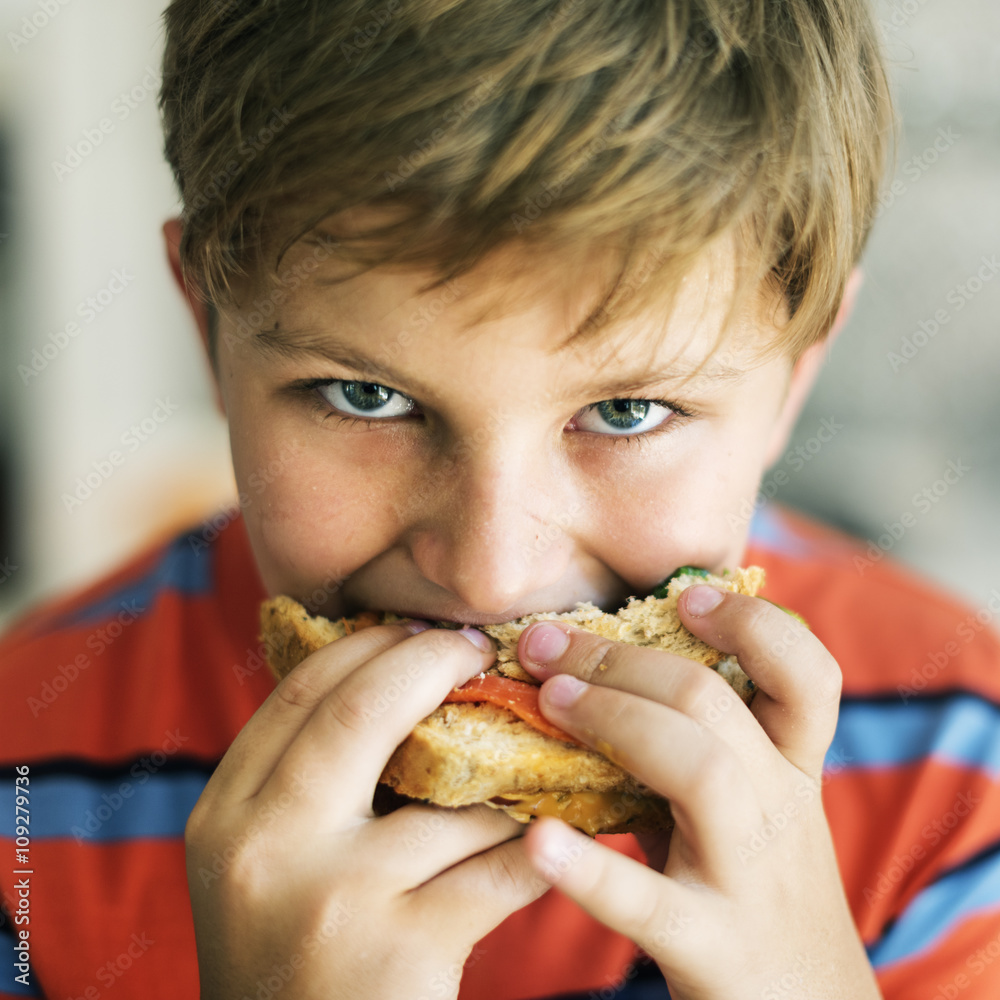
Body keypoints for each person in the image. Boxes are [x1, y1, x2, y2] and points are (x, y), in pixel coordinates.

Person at [2, 0, 999, 997]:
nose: (490, 569)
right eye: (368, 397)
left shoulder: (959, 768)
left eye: (626, 412)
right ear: (209, 333)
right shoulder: (25, 789)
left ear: (793, 379)